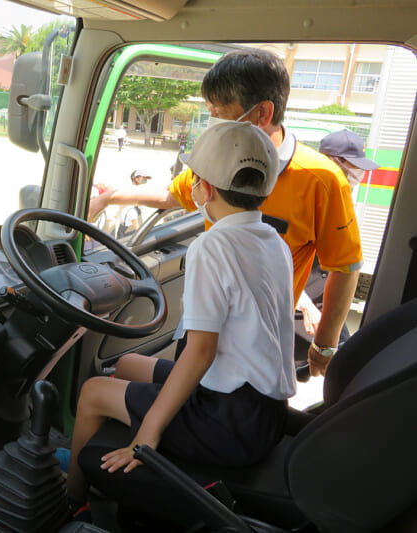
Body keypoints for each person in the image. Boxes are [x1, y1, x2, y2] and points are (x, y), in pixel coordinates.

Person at [89, 49, 361, 378]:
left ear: (262, 113)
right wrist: (110, 198)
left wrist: (325, 344)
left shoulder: (322, 180)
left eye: (221, 114)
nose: (214, 124)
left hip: (257, 343)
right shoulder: (216, 159)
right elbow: (170, 194)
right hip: (203, 324)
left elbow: (344, 268)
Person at [66, 121, 296, 511]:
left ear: (205, 188)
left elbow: (201, 351)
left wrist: (148, 437)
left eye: (194, 178)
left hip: (229, 422)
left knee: (92, 393)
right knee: (126, 364)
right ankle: (109, 481)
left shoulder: (213, 246)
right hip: (262, 413)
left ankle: (72, 499)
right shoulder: (273, 239)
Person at [294, 129, 379, 361]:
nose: (358, 174)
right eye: (353, 166)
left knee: (350, 363)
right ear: (333, 162)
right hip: (298, 309)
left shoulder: (342, 200)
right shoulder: (299, 198)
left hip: (326, 306)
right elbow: (275, 261)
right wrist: (303, 304)